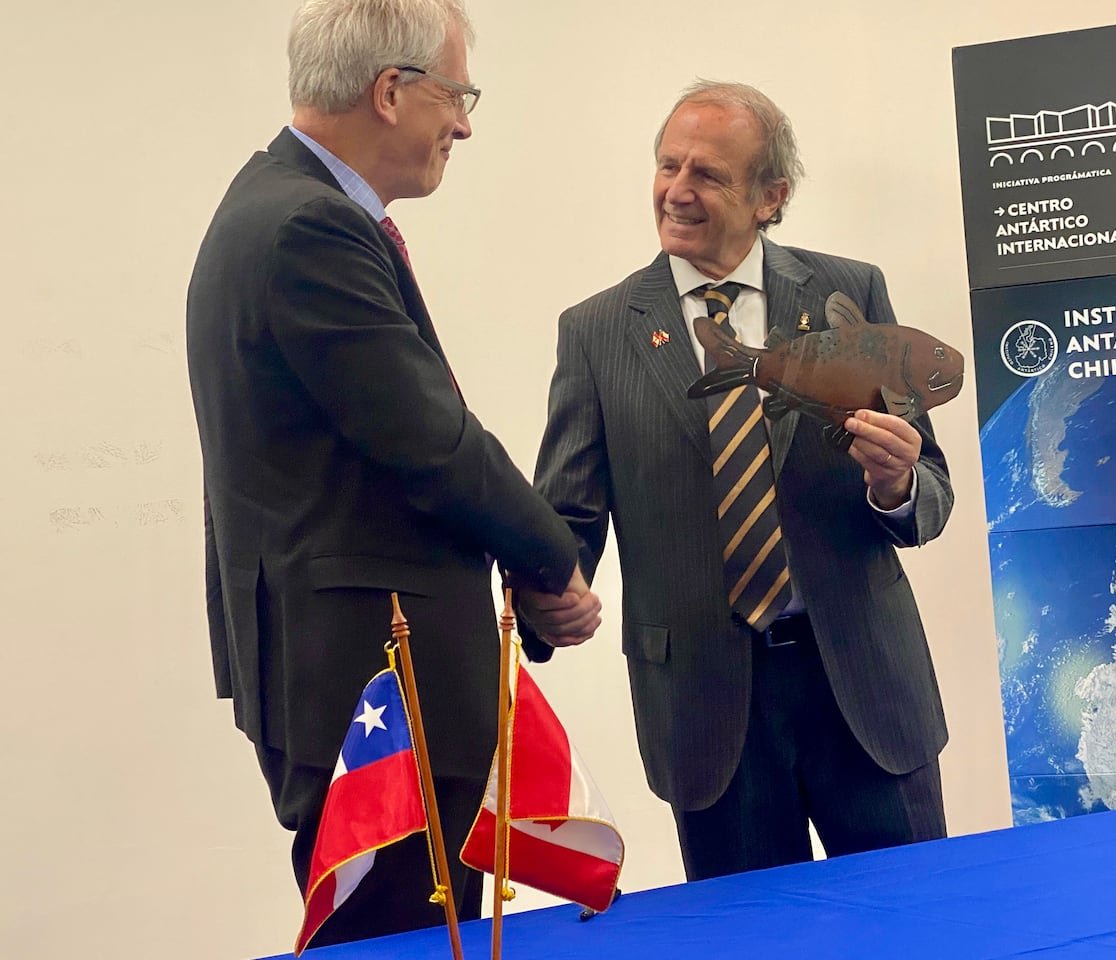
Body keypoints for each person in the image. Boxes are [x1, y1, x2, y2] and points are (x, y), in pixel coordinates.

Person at [186, 0, 600, 945]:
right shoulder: (306, 229)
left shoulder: (273, 208)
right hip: (378, 682)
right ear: (391, 91)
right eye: (457, 97)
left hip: (356, 666)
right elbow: (429, 441)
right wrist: (553, 561)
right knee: (403, 934)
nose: (464, 123)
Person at [519, 81, 952, 882]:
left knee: (922, 925)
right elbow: (569, 514)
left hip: (864, 689)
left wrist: (895, 485)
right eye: (666, 166)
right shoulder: (596, 333)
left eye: (707, 175)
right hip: (708, 714)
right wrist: (542, 595)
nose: (676, 191)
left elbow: (929, 488)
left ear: (770, 197)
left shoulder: (848, 293)